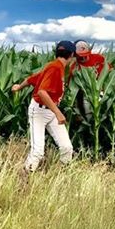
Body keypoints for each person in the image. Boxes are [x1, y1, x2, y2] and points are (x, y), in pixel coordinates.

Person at [12, 40, 76, 172]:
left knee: (67, 148)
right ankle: (23, 180)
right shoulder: (55, 68)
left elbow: (32, 79)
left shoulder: (55, 66)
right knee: (38, 152)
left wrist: (19, 87)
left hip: (51, 111)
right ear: (71, 55)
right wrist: (58, 113)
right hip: (39, 112)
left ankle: (62, 176)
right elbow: (41, 92)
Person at [70, 39, 108, 121]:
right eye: (80, 55)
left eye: (85, 55)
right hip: (86, 96)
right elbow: (73, 89)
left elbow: (110, 72)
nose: (83, 57)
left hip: (102, 93)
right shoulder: (74, 67)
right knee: (89, 118)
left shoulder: (99, 59)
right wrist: (77, 110)